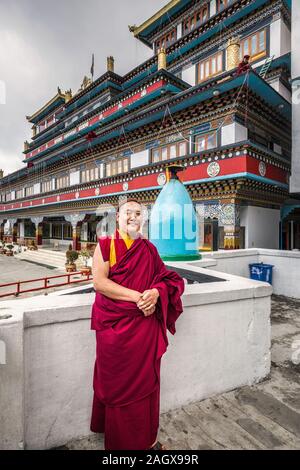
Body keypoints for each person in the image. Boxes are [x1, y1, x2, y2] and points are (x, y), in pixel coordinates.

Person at [90, 199, 185, 450]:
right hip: (115, 329)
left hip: (143, 328)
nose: (133, 217)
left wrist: (155, 291)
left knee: (146, 385)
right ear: (117, 217)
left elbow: (167, 278)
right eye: (128, 213)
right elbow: (99, 283)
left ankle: (147, 441)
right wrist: (139, 297)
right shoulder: (105, 245)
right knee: (118, 384)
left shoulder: (148, 249)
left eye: (138, 213)